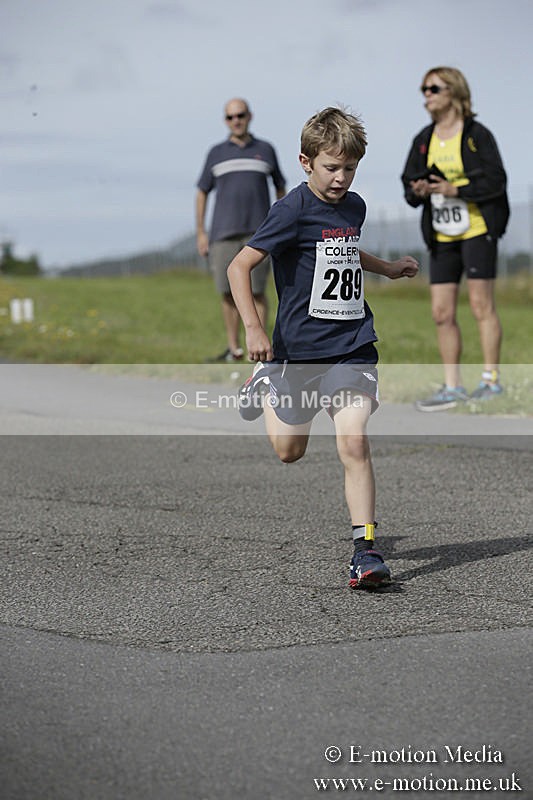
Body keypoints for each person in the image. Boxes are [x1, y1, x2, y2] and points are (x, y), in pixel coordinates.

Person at [227, 107, 419, 590]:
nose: (340, 177)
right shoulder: (289, 209)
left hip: (352, 343)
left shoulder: (354, 206)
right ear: (305, 162)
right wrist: (253, 329)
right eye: (331, 167)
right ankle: (267, 381)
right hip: (297, 350)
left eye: (349, 168)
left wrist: (389, 268)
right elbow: (238, 267)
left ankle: (366, 551)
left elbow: (346, 249)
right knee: (289, 452)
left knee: (353, 441)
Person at [401, 66, 510, 411]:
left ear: (455, 92)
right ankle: (452, 387)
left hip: (478, 229)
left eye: (434, 88)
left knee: (481, 306)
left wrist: (456, 189)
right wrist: (417, 189)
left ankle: (490, 381)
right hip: (442, 234)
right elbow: (408, 185)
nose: (427, 95)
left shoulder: (478, 134)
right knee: (441, 312)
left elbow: (497, 180)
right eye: (424, 89)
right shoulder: (423, 138)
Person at [196, 98, 286, 362]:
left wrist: (280, 226)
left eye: (240, 115)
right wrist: (201, 231)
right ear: (225, 121)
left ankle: (257, 348)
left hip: (259, 234)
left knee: (257, 291)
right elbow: (201, 191)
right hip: (222, 233)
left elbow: (280, 187)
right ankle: (233, 348)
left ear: (249, 116)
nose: (236, 120)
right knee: (227, 291)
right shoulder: (215, 153)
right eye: (230, 117)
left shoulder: (266, 150)